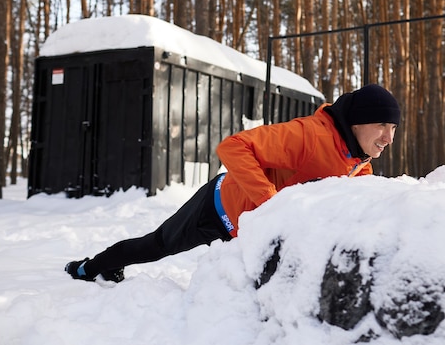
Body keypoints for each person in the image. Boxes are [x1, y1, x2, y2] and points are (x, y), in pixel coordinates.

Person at [65, 83, 400, 283]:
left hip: (250, 230)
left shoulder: (359, 165)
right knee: (158, 246)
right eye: (381, 125)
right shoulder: (308, 136)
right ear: (357, 122)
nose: (388, 137)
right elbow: (233, 146)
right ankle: (91, 267)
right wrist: (271, 205)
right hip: (218, 206)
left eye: (394, 128)